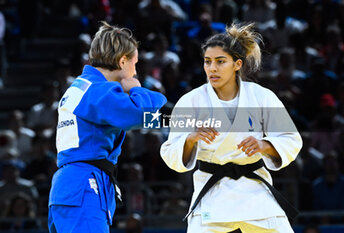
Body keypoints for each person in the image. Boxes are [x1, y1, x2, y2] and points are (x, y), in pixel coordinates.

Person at [160, 22, 302, 232]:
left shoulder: (261, 97)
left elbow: (291, 138)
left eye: (220, 61)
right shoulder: (191, 101)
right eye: (207, 62)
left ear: (237, 64)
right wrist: (190, 139)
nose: (212, 68)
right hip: (212, 193)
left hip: (256, 191)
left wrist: (264, 145)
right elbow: (170, 151)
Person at [48, 21, 167, 233]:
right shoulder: (97, 91)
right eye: (135, 64)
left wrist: (182, 121)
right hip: (84, 189)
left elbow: (141, 118)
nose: (134, 72)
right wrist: (138, 90)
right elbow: (141, 115)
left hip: (72, 189)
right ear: (122, 61)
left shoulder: (82, 87)